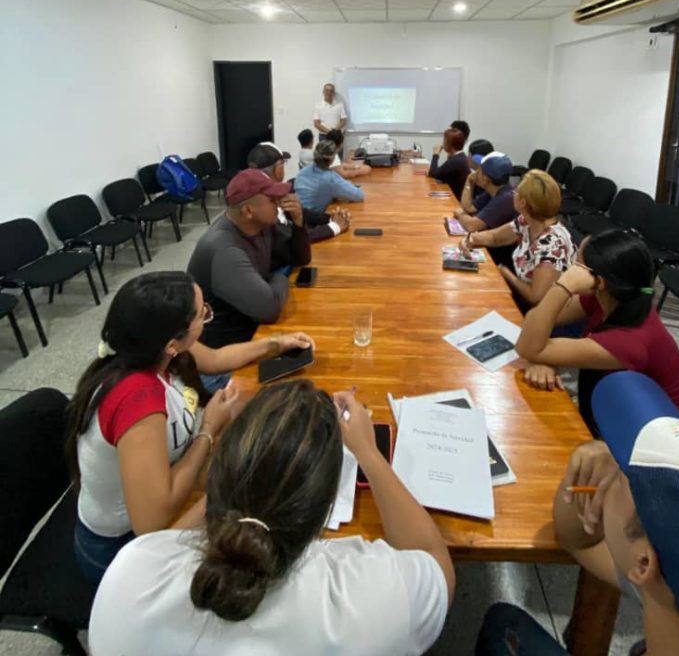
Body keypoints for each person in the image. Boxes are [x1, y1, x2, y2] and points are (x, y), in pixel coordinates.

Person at [89, 381, 455, 655]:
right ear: (323, 510)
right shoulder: (371, 599)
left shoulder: (130, 573)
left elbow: (161, 543)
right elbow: (435, 562)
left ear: (219, 474)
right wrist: (368, 454)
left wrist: (240, 475)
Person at [477, 371, 679, 656]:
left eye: (624, 474)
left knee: (504, 631)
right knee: (503, 623)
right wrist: (582, 476)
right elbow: (579, 541)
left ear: (643, 563)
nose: (612, 464)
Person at [66, 271, 314, 584]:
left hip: (154, 509)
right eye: (202, 315)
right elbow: (151, 526)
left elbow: (217, 358)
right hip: (123, 553)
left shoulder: (152, 344)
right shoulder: (137, 399)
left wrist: (276, 344)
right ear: (173, 343)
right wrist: (209, 431)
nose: (206, 317)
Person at [515, 228, 679, 429]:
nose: (572, 269)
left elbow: (527, 346)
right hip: (620, 409)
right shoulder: (614, 298)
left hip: (657, 437)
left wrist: (563, 286)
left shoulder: (630, 341)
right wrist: (545, 358)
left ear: (598, 282)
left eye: (577, 265)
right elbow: (534, 323)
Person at [187, 167, 311, 348]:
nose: (280, 203)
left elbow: (299, 258)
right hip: (227, 352)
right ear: (248, 211)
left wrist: (298, 222)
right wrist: (278, 276)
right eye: (272, 199)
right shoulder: (224, 249)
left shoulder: (261, 226)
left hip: (251, 330)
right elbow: (269, 309)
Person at [461, 170, 575, 310]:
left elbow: (535, 297)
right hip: (523, 299)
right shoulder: (526, 220)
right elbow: (495, 237)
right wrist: (471, 239)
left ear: (522, 203)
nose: (513, 193)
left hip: (546, 312)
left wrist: (505, 272)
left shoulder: (551, 245)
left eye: (516, 192)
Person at [294, 140, 365, 213]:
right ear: (333, 158)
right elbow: (359, 196)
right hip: (313, 220)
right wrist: (348, 184)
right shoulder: (330, 178)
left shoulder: (303, 171)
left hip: (297, 215)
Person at [454, 152, 515, 233]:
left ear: (485, 179)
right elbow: (468, 208)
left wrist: (460, 214)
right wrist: (469, 182)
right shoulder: (494, 190)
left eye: (479, 170)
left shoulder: (506, 198)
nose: (475, 173)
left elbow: (471, 226)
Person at [429, 127, 470, 200]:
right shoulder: (459, 157)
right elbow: (440, 172)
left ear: (449, 144)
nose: (443, 144)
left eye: (444, 141)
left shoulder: (456, 160)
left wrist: (436, 154)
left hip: (455, 199)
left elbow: (433, 174)